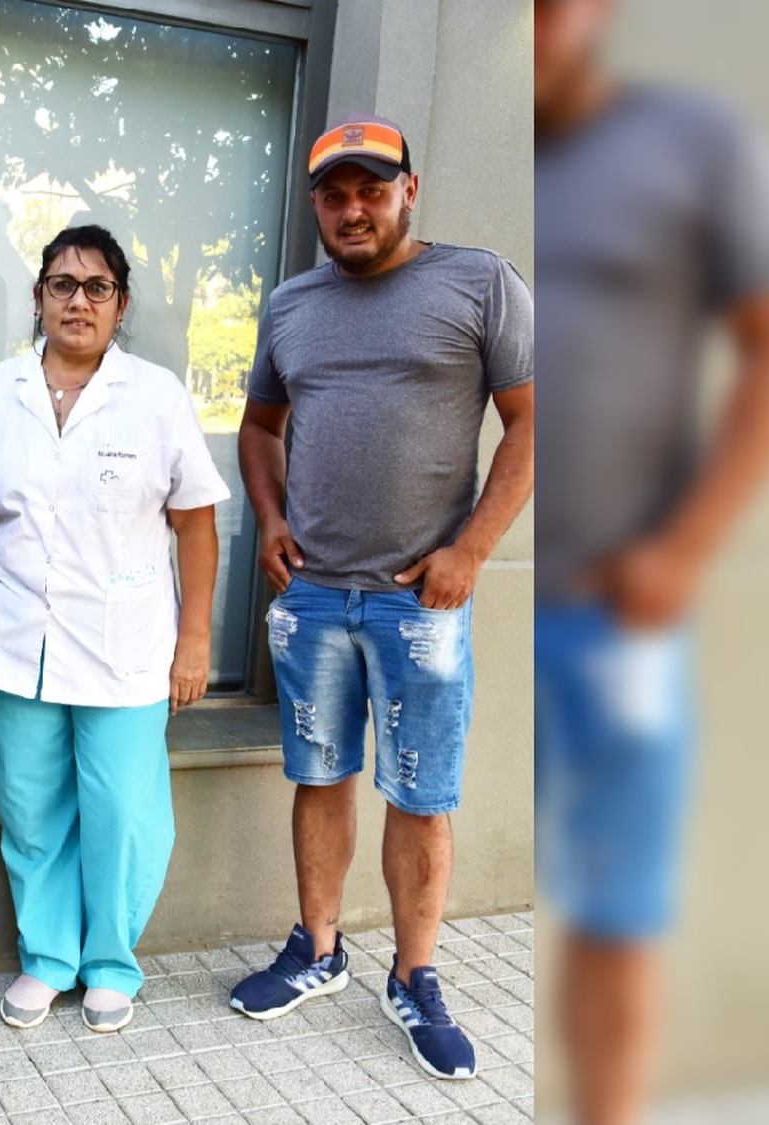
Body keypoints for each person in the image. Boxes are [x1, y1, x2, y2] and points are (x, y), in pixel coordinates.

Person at [231, 115, 534, 1082]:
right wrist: (271, 522)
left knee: (419, 792)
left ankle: (415, 974)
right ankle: (319, 950)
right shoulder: (291, 306)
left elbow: (532, 423)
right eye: (334, 192)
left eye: (371, 188)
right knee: (319, 777)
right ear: (315, 203)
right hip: (314, 596)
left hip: (421, 605)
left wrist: (471, 553)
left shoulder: (479, 282)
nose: (352, 208)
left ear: (411, 189)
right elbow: (257, 426)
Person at [534, 1, 769, 1120]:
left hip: (612, 619)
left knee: (617, 917)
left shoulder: (695, 143)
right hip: (473, 615)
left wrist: (684, 550)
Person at [0, 225, 229, 1034]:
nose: (77, 299)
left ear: (120, 304)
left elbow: (195, 524)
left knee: (124, 808)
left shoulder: (154, 395)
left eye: (96, 286)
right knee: (29, 806)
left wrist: (197, 638)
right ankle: (47, 956)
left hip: (125, 643)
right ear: (39, 297)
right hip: (12, 639)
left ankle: (112, 961)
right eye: (61, 283)